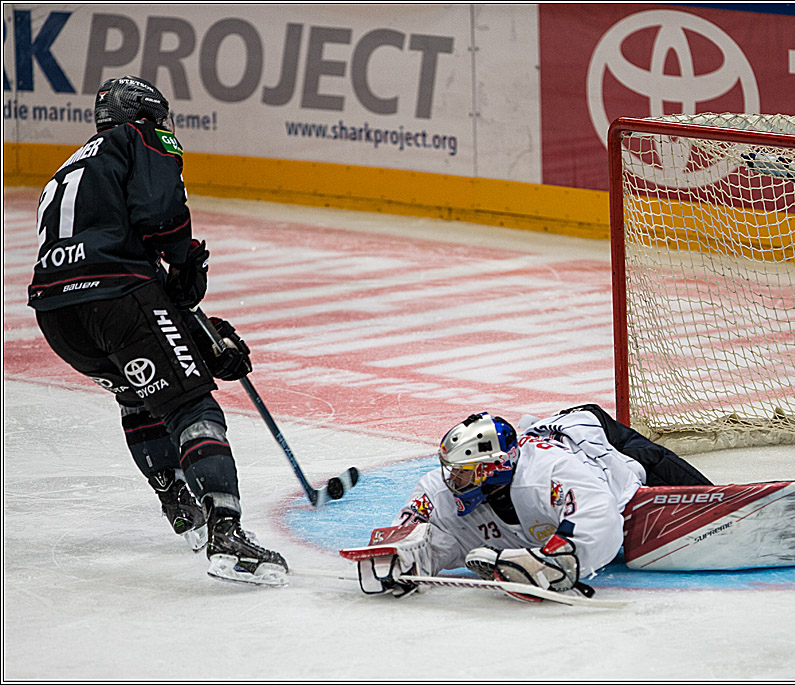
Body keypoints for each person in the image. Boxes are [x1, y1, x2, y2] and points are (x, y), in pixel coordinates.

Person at [28, 75, 287, 586]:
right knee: (190, 402)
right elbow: (159, 217)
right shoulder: (143, 136)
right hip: (117, 298)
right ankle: (226, 531)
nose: (165, 128)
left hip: (57, 315)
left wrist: (193, 329)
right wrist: (184, 258)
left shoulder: (67, 165)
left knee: (138, 395)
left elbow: (112, 249)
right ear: (144, 112)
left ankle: (178, 504)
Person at [353, 403, 711, 599]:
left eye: (464, 470)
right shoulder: (439, 492)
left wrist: (558, 561)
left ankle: (719, 498)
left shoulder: (547, 473)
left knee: (646, 468)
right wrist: (400, 562)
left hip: (591, 438)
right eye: (451, 469)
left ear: (492, 469)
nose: (453, 479)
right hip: (551, 442)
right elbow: (416, 533)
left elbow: (599, 518)